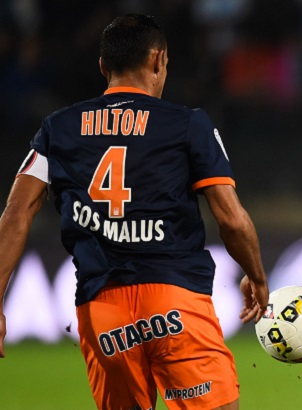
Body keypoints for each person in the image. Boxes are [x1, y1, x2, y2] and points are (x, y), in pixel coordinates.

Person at [0, 14, 269, 410]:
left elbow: (16, 212)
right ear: (158, 60)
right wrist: (257, 276)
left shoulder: (58, 129)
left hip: (103, 311)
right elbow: (230, 218)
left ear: (103, 67)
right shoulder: (189, 125)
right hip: (175, 299)